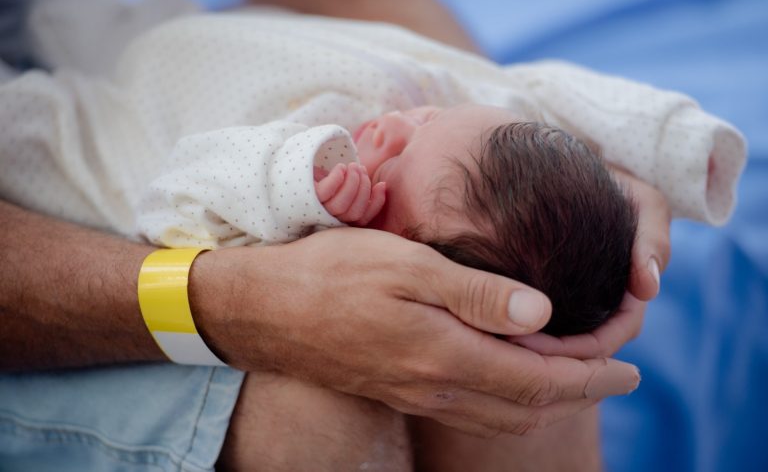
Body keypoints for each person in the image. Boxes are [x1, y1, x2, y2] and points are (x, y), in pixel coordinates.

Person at [0, 0, 740, 471]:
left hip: (81, 76)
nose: (403, 116)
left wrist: (565, 176)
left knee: (518, 379)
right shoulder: (382, 135)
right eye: (426, 120)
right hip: (134, 78)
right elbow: (175, 202)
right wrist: (232, 300)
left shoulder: (365, 152)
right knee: (323, 417)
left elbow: (531, 94)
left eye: (421, 138)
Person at [140, 104, 637, 336]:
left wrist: (291, 187)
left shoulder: (292, 248)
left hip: (123, 108)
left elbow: (173, 199)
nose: (394, 120)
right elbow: (539, 88)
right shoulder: (471, 134)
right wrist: (679, 150)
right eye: (430, 117)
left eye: (394, 164)